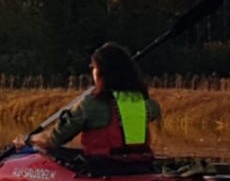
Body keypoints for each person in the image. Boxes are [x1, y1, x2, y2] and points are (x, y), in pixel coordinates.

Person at [33, 42, 161, 174]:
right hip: (141, 167)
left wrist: (30, 139)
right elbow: (154, 109)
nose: (92, 70)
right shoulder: (147, 105)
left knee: (50, 152)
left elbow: (54, 139)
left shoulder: (89, 105)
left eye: (93, 67)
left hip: (103, 169)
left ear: (100, 72)